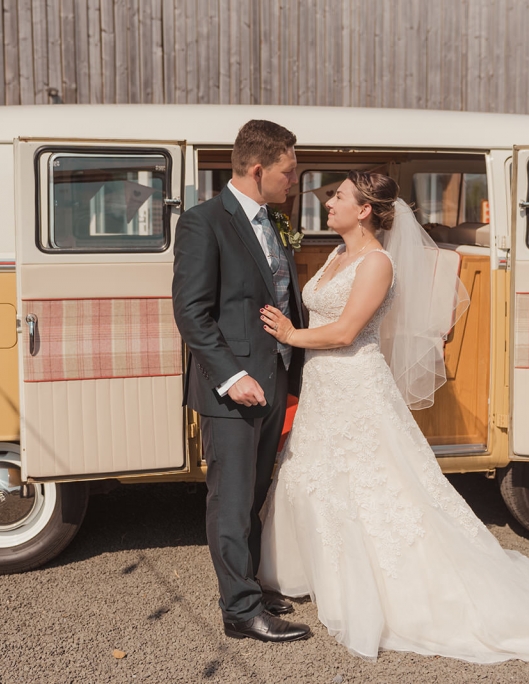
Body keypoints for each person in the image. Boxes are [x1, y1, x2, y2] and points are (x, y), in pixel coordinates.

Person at [256, 171, 529, 670]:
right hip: (326, 387)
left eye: (338, 196)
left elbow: (345, 332)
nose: (329, 203)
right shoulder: (337, 255)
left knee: (376, 486)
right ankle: (322, 576)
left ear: (364, 209)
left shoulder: (377, 263)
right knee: (316, 478)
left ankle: (387, 592)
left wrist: (289, 334)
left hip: (355, 385)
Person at [171, 120, 311, 643]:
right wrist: (231, 377)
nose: (293, 181)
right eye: (288, 172)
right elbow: (192, 312)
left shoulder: (274, 222)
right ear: (258, 170)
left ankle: (248, 586)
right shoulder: (204, 222)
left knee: (253, 494)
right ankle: (239, 612)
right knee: (229, 500)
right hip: (234, 388)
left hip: (273, 378)